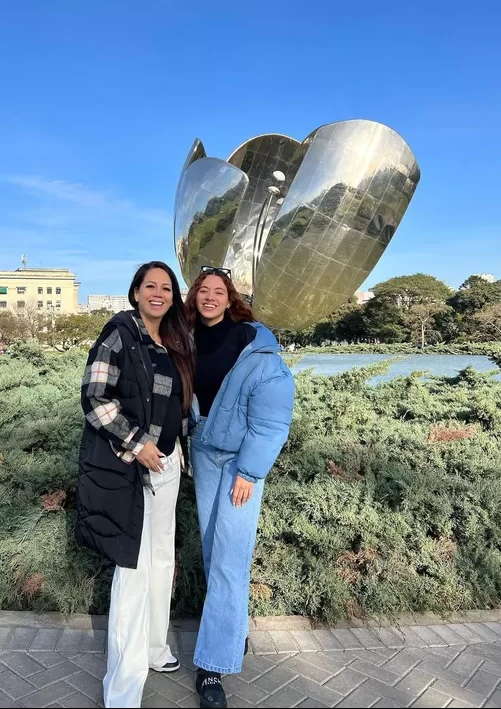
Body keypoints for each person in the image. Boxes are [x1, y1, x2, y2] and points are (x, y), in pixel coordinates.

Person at [75, 261, 194, 709]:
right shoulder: (120, 333)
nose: (159, 293)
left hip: (167, 467)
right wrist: (138, 443)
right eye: (151, 286)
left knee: (162, 560)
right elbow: (94, 397)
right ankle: (123, 687)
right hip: (130, 467)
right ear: (136, 291)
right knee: (133, 567)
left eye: (166, 288)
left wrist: (178, 452)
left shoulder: (172, 342)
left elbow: (176, 406)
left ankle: (154, 648)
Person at [185, 266, 295, 709]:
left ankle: (214, 665)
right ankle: (231, 633)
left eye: (218, 291)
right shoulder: (186, 338)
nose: (210, 297)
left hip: (238, 463)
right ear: (194, 298)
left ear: (230, 299)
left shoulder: (253, 344)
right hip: (202, 452)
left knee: (231, 556)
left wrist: (249, 473)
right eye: (203, 291)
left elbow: (271, 420)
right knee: (215, 551)